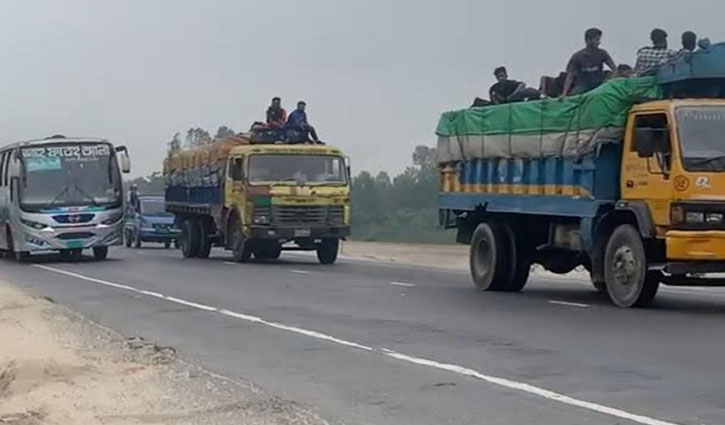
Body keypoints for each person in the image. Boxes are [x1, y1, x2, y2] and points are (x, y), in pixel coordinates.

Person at [561, 28, 616, 97]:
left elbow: (614, 69)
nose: (598, 42)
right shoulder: (578, 56)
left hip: (599, 83)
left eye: (599, 40)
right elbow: (570, 76)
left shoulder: (602, 53)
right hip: (583, 85)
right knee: (573, 97)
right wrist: (564, 93)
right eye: (596, 40)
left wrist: (612, 79)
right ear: (588, 41)